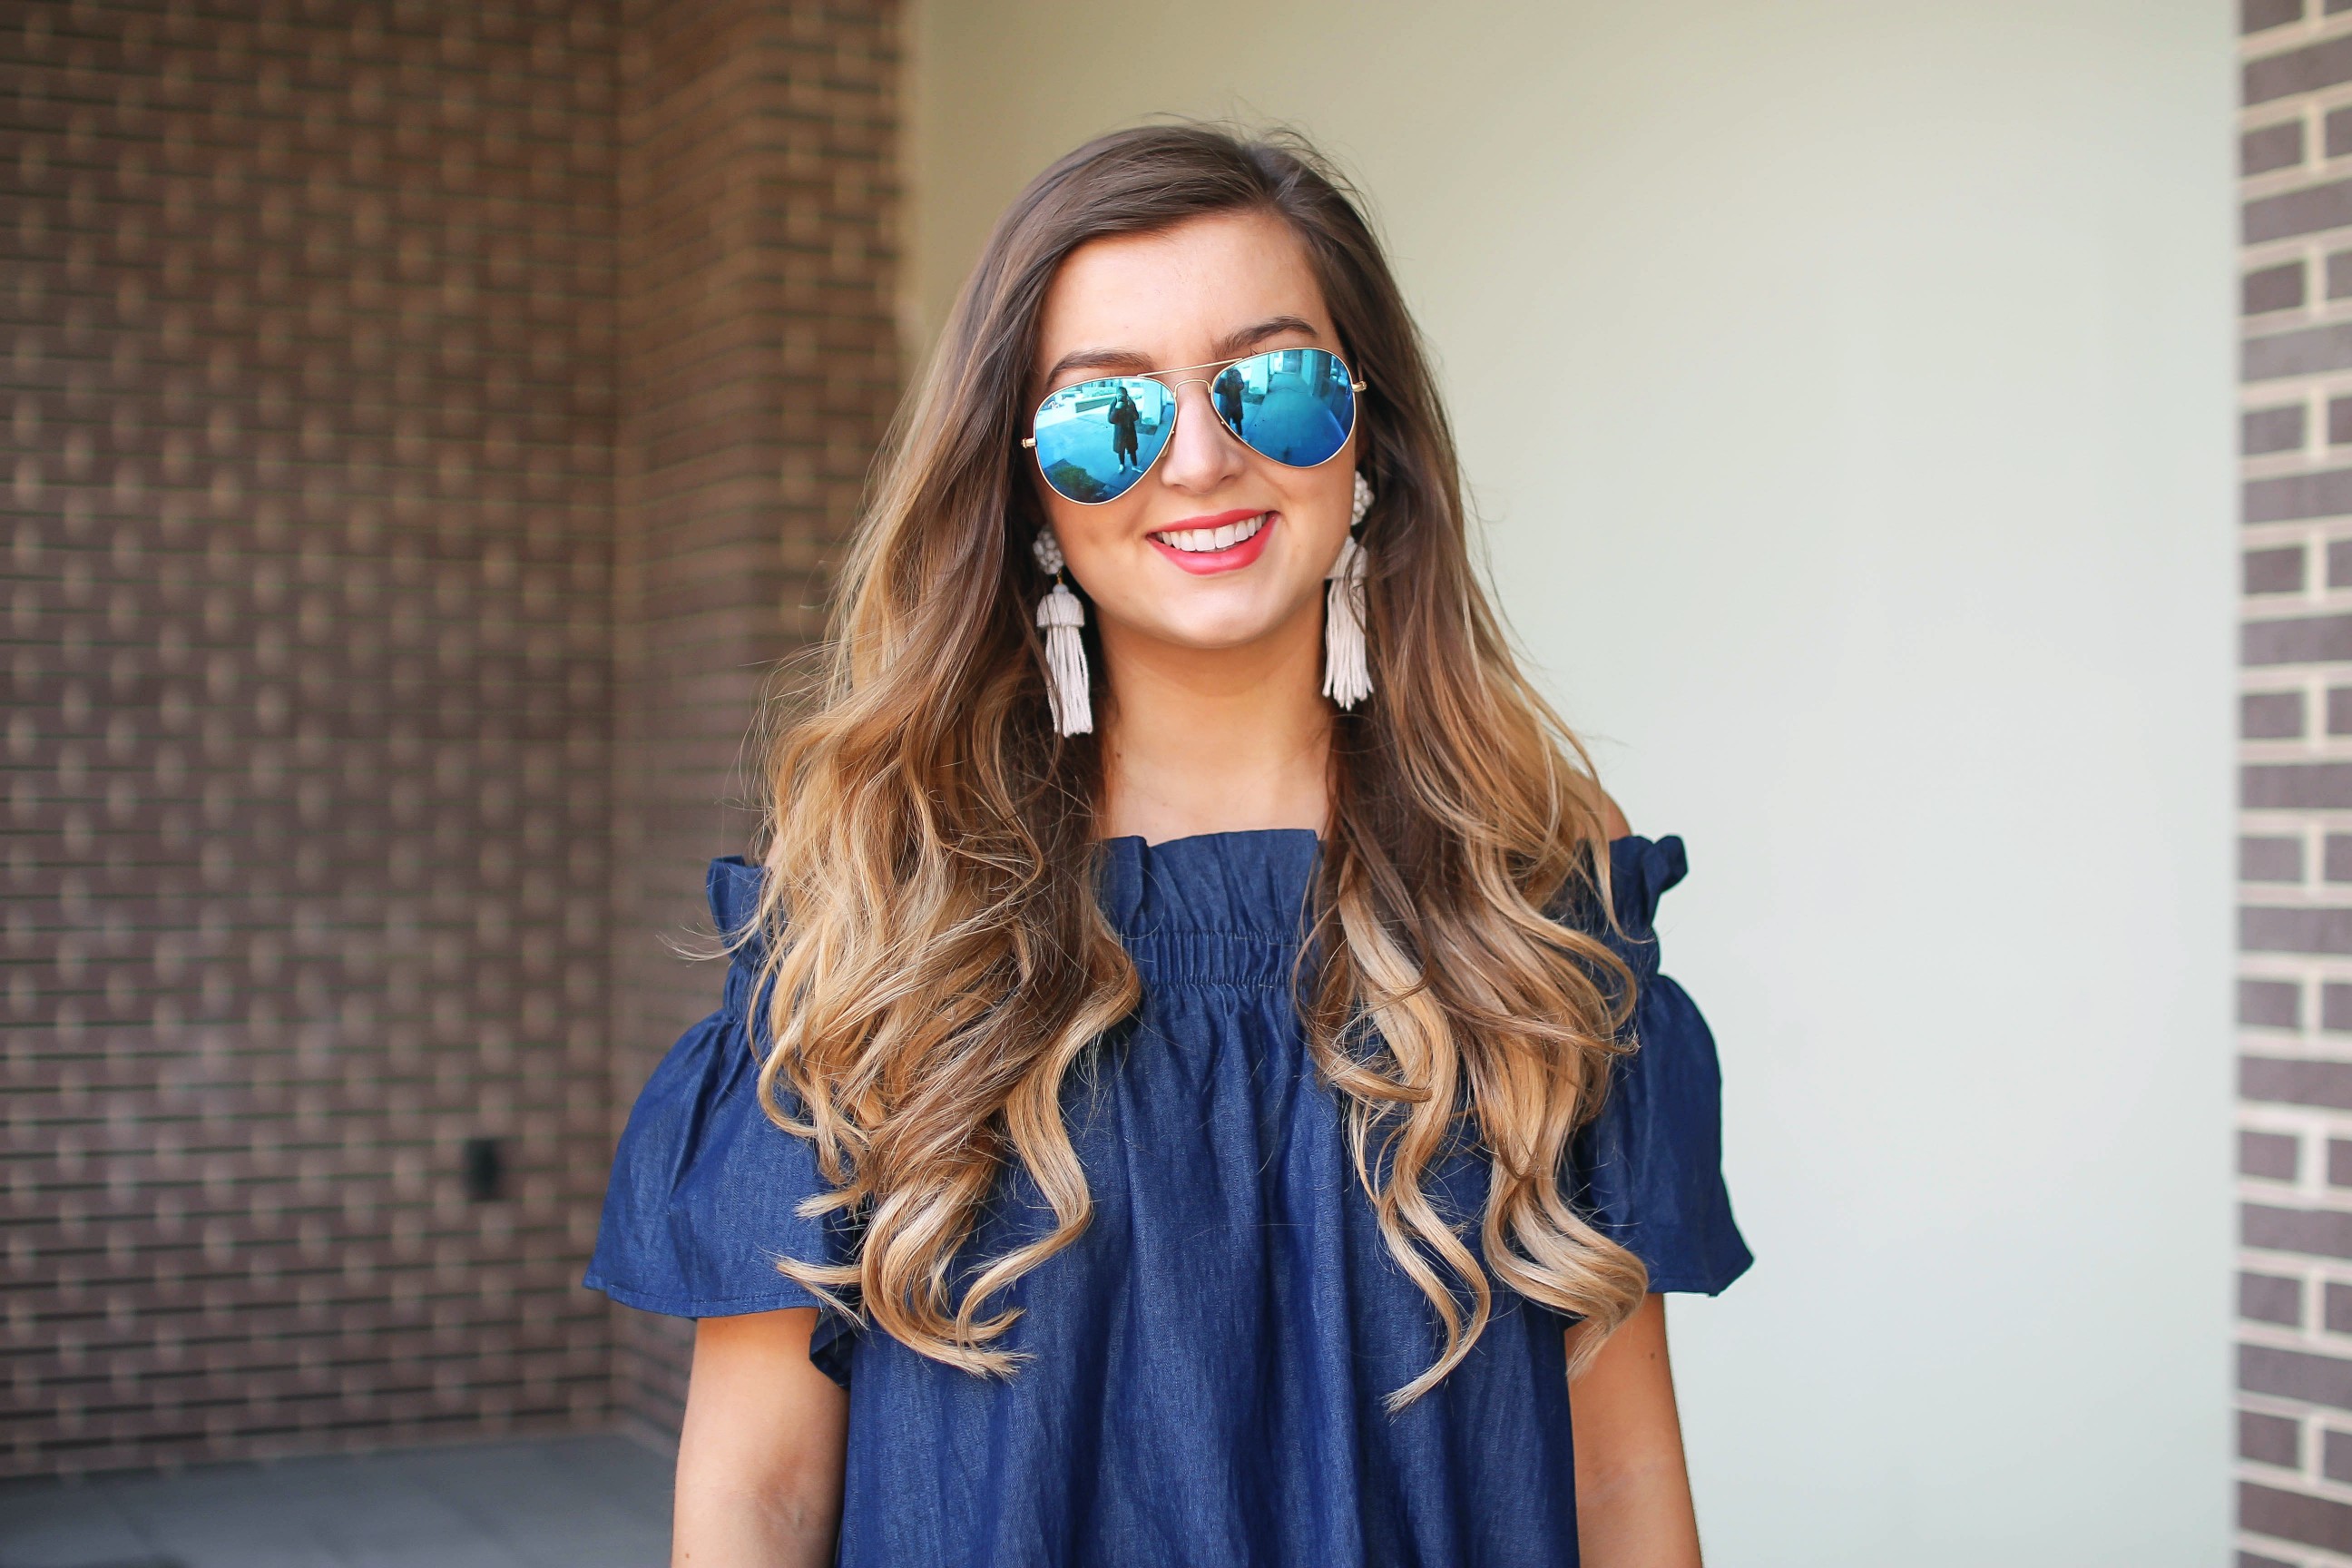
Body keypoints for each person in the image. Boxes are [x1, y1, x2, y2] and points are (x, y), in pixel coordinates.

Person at [585, 125, 1749, 1568]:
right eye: (1102, 416)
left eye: (1270, 384)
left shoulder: (1534, 877)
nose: (1201, 458)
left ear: (1368, 430)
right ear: (1025, 492)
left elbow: (1620, 1480)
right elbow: (758, 1500)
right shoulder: (879, 887)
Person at [1107, 384, 1142, 468]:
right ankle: (1121, 464)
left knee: (1132, 450)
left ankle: (1135, 465)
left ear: (1126, 395)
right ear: (1116, 395)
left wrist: (1131, 407)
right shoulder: (1114, 404)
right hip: (1120, 433)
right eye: (1119, 395)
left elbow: (1136, 417)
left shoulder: (1130, 403)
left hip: (1130, 432)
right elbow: (1111, 420)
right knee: (1120, 451)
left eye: (1123, 395)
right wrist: (1117, 409)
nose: (1121, 397)